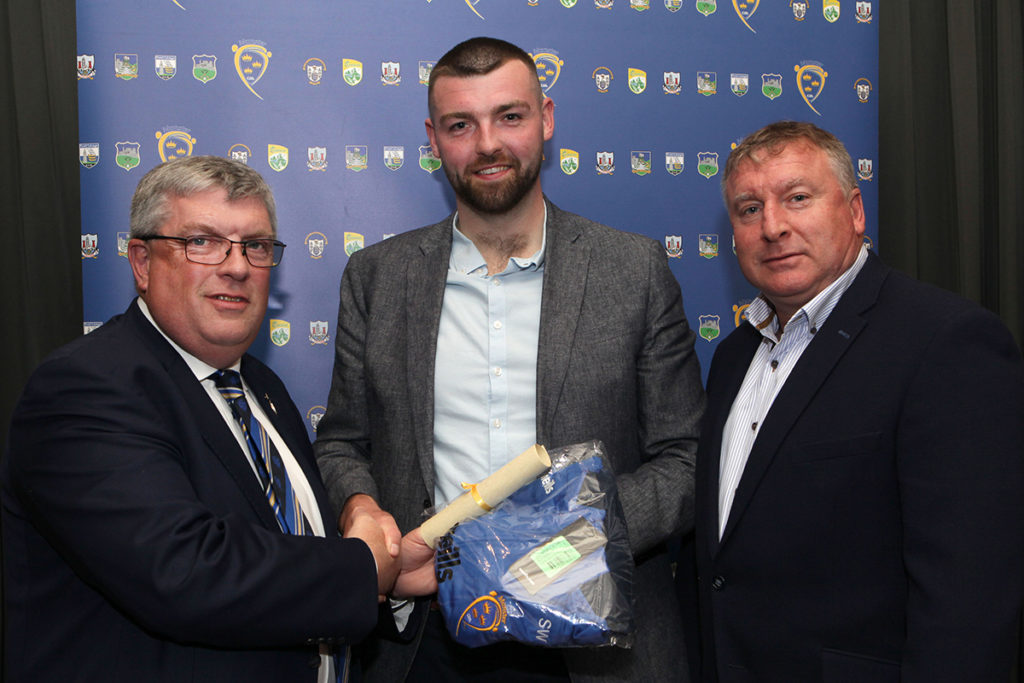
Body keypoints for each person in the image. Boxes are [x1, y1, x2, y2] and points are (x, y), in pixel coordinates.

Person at [314, 37, 704, 682]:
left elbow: (686, 459)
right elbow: (343, 443)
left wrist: (561, 546)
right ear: (433, 140)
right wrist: (361, 508)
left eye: (510, 116)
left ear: (546, 119)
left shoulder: (633, 271)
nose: (488, 144)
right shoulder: (376, 278)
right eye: (461, 125)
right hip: (426, 639)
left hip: (595, 636)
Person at [1, 156, 419, 682]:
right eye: (201, 241)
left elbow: (288, 560)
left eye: (256, 246)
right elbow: (184, 571)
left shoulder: (262, 389)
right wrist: (361, 570)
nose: (237, 266)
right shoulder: (85, 387)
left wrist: (390, 575)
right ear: (142, 262)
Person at [687, 120, 1024, 681]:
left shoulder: (946, 342)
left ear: (855, 210)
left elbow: (971, 596)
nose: (772, 226)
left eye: (797, 198)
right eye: (749, 209)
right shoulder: (732, 358)